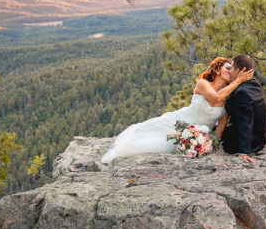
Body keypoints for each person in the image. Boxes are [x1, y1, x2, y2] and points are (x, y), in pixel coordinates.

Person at [100, 56, 254, 163]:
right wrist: (239, 80)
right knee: (150, 141)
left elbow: (222, 123)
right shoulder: (203, 84)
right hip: (178, 121)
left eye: (232, 69)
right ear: (218, 70)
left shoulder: (229, 96)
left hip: (196, 133)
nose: (231, 71)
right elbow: (215, 98)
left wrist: (213, 144)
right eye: (228, 67)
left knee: (170, 148)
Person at [221, 54, 266, 164]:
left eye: (231, 68)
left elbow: (245, 122)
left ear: (238, 71)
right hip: (259, 140)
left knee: (210, 134)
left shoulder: (241, 93)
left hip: (244, 143)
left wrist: (243, 152)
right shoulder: (254, 85)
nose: (229, 71)